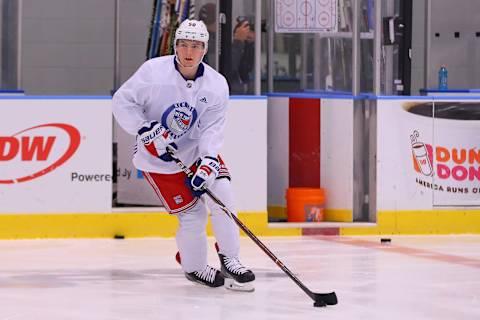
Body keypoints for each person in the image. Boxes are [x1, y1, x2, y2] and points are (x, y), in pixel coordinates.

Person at [112, 19, 255, 290]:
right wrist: (144, 128)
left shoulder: (216, 84)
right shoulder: (153, 72)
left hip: (197, 153)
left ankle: (230, 259)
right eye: (184, 45)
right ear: (175, 46)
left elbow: (213, 128)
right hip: (158, 160)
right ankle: (195, 267)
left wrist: (209, 159)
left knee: (224, 198)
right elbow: (122, 102)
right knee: (193, 216)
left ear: (205, 50)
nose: (189, 52)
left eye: (197, 46)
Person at [228, 18, 255, 94]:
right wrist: (238, 42)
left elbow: (246, 69)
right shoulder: (227, 49)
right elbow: (230, 68)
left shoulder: (251, 49)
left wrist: (249, 45)